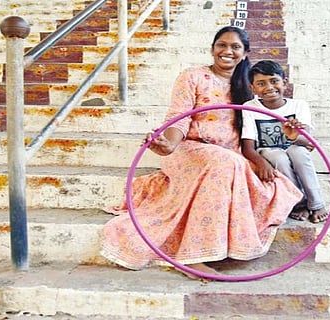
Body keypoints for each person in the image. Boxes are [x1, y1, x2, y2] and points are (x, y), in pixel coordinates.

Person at [100, 27, 303, 279]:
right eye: (221, 45)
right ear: (213, 48)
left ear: (244, 53)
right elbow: (178, 119)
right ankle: (194, 257)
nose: (227, 51)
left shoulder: (250, 87)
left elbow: (264, 124)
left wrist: (283, 138)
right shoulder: (192, 76)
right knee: (224, 164)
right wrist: (168, 144)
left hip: (231, 155)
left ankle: (226, 244)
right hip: (189, 150)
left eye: (235, 47)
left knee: (270, 183)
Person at [241, 60, 329, 223]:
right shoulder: (250, 107)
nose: (269, 87)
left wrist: (294, 135)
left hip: (295, 146)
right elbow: (247, 147)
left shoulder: (299, 106)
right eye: (261, 84)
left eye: (274, 81)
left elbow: (308, 143)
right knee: (279, 158)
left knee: (299, 153)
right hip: (268, 150)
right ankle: (298, 204)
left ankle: (316, 203)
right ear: (252, 88)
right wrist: (261, 163)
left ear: (285, 83)